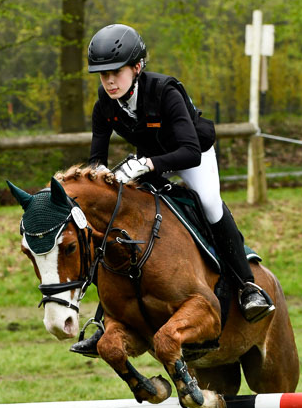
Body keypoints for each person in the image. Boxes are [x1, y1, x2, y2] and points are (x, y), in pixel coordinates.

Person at [71, 23, 274, 357]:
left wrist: (148, 165)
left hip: (191, 154)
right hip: (148, 159)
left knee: (209, 205)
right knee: (114, 218)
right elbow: (96, 160)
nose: (108, 81)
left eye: (115, 72)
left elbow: (189, 151)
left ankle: (247, 288)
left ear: (136, 67)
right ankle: (103, 320)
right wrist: (102, 174)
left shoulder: (165, 91)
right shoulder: (105, 104)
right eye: (102, 74)